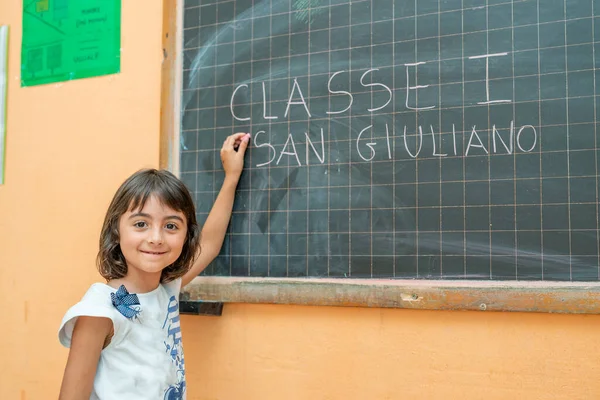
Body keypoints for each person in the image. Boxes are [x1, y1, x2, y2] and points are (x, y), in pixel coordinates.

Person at [57, 132, 251, 400]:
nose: (156, 238)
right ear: (117, 229)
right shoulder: (99, 311)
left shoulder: (166, 290)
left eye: (171, 225)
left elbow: (209, 244)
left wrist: (231, 177)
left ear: (186, 235)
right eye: (140, 224)